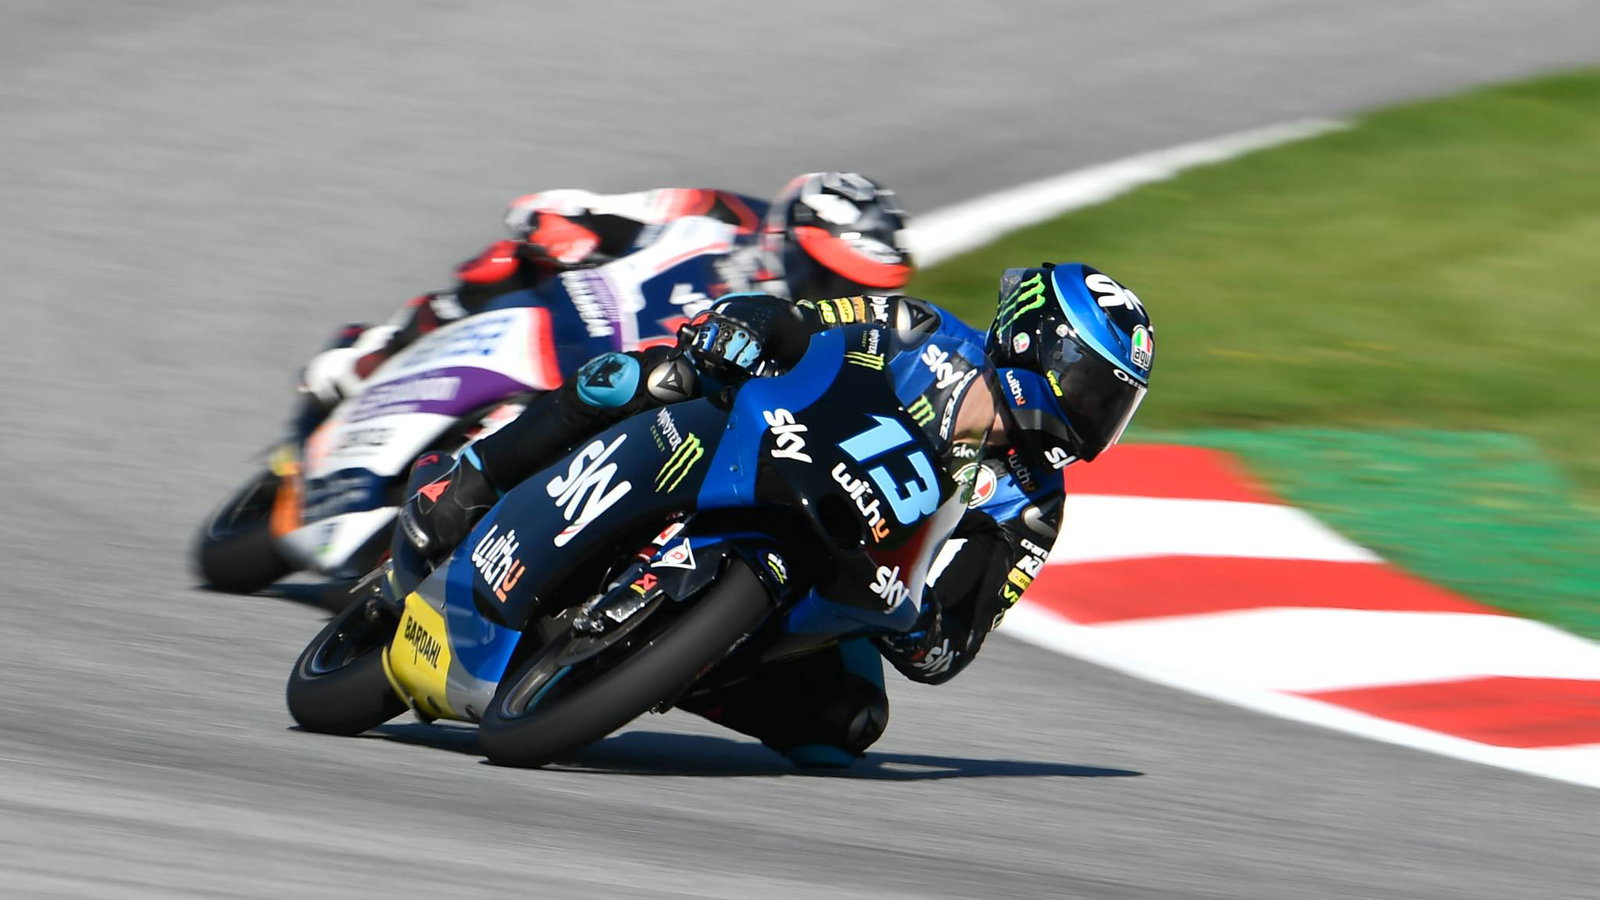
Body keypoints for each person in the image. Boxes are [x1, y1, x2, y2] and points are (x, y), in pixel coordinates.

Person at [397, 262, 1155, 767]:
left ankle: (677, 668)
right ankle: (474, 477)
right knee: (646, 376)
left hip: (837, 569)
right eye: (1094, 392)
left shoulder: (1033, 506)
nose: (1097, 420)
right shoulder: (918, 330)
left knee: (851, 722)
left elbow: (955, 639)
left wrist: (919, 626)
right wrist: (743, 330)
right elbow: (799, 321)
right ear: (1031, 343)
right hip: (760, 446)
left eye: (1113, 407)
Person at [293, 172, 914, 437]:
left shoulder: (822, 347)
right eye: (829, 275)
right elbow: (579, 207)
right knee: (505, 263)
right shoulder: (722, 213)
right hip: (562, 323)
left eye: (858, 289)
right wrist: (564, 228)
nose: (840, 297)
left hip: (631, 399)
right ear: (788, 236)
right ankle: (376, 354)